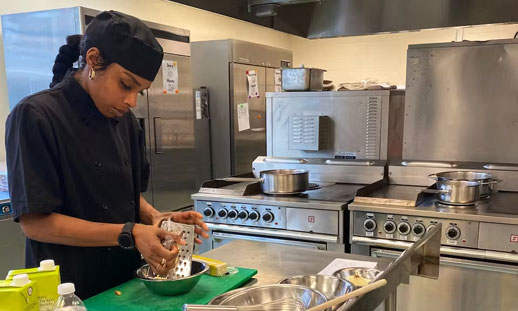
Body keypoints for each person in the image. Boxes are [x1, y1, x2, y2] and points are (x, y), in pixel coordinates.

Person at [5, 10, 209, 299]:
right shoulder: (36, 116)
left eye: (140, 91)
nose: (130, 101)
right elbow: (35, 223)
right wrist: (131, 232)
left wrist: (155, 218)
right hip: (69, 290)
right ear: (93, 61)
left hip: (125, 283)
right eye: (126, 85)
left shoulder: (124, 121)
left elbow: (124, 194)